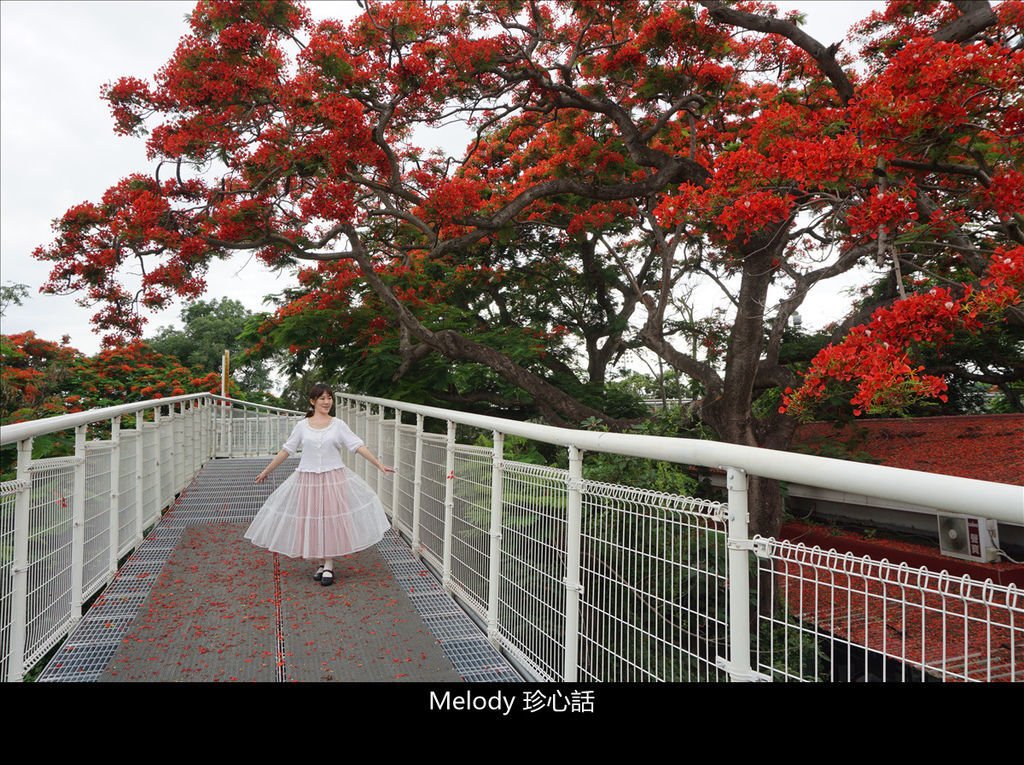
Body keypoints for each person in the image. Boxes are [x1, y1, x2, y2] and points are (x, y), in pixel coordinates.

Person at [245, 384, 395, 586]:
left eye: (329, 398)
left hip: (333, 478)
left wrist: (379, 464)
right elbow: (286, 450)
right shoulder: (302, 426)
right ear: (312, 401)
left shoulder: (338, 424)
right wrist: (266, 471)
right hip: (308, 479)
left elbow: (357, 445)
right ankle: (320, 563)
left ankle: (329, 565)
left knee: (330, 519)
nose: (327, 402)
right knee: (313, 519)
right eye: (322, 398)